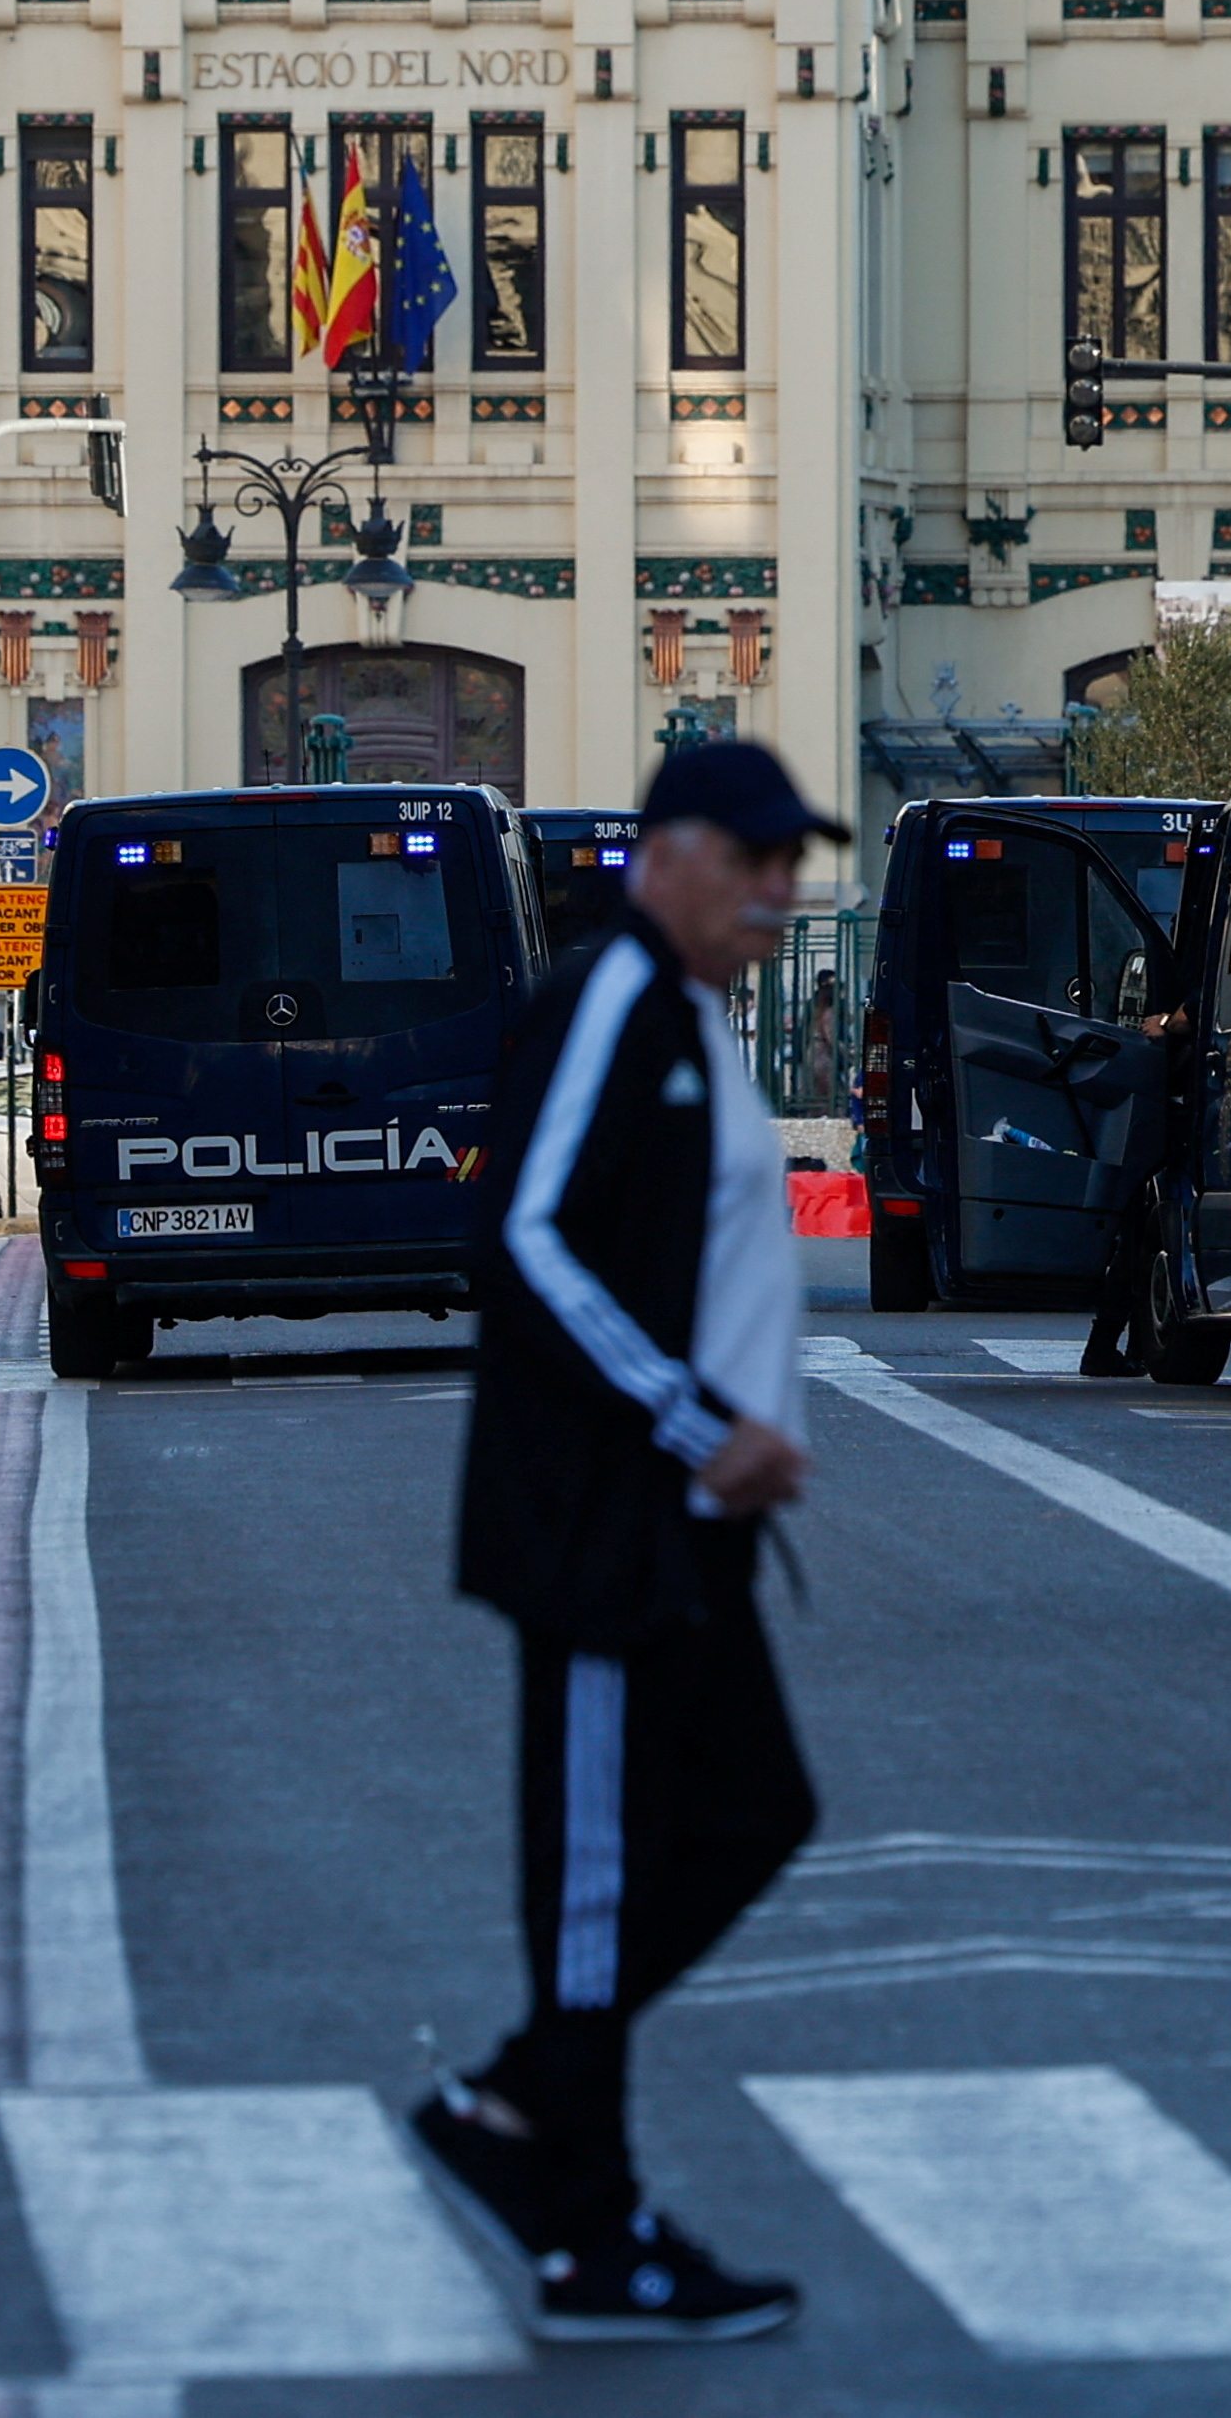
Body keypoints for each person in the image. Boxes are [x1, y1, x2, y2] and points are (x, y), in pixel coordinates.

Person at [413, 738, 841, 2344]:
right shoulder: (608, 992)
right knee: (596, 1885)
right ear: (663, 855)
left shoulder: (693, 1019)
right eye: (751, 859)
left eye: (791, 865)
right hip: (605, 1522)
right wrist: (691, 1419)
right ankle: (590, 2232)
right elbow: (521, 1232)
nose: (777, 892)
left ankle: (524, 2102)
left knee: (755, 1812)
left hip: (692, 1528)